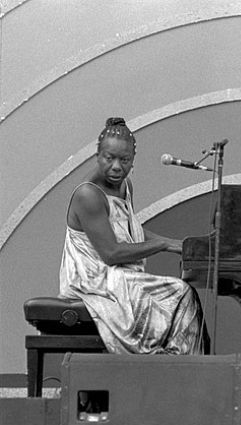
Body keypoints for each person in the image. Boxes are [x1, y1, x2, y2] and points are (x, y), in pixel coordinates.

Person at [59, 117, 205, 354]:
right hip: (92, 280)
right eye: (109, 158)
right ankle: (175, 363)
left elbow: (128, 230)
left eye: (124, 160)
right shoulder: (88, 195)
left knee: (180, 293)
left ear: (133, 161)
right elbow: (111, 253)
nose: (117, 166)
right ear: (97, 156)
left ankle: (179, 365)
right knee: (180, 293)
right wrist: (162, 244)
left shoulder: (125, 186)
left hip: (117, 275)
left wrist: (174, 245)